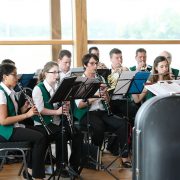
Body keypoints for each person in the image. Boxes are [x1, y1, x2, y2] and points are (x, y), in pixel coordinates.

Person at [74, 53, 131, 168]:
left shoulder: (100, 78)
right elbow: (80, 105)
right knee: (99, 127)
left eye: (96, 63)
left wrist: (106, 96)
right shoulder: (79, 81)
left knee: (124, 124)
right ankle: (94, 156)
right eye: (92, 64)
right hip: (87, 114)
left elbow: (107, 100)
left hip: (102, 111)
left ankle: (124, 157)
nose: (95, 66)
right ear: (85, 65)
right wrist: (96, 96)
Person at [32, 61, 83, 177]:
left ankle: (74, 165)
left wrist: (66, 107)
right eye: (54, 72)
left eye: (58, 72)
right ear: (45, 74)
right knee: (62, 134)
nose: (57, 75)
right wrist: (57, 111)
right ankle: (61, 167)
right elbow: (40, 110)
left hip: (57, 122)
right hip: (42, 123)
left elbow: (59, 107)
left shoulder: (58, 87)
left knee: (77, 133)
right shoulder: (38, 89)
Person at [0, 63, 46, 180]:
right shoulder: (1, 93)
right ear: (5, 77)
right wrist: (27, 114)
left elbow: (13, 114)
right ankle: (37, 176)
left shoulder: (10, 91)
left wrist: (23, 109)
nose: (17, 78)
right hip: (5, 131)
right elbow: (3, 121)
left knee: (42, 133)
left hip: (13, 126)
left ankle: (30, 171)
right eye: (14, 75)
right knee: (39, 138)